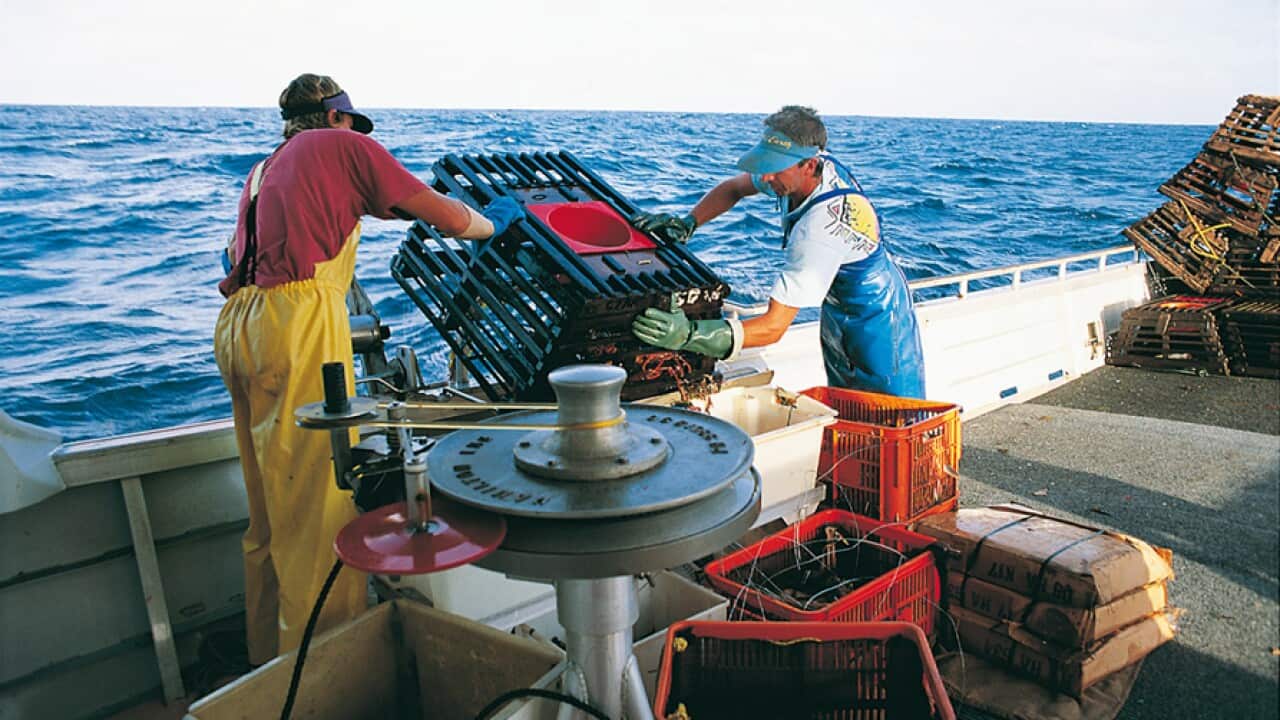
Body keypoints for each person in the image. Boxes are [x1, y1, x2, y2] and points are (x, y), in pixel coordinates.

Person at [214, 73, 521, 665]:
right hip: (295, 323)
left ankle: (266, 660)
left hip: (238, 325)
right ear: (337, 118)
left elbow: (240, 255)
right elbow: (444, 217)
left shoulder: (264, 170)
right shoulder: (341, 146)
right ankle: (322, 671)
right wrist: (490, 223)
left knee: (268, 510)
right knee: (313, 508)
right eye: (355, 124)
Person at [630, 105, 926, 398]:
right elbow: (735, 187)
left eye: (775, 168)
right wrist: (689, 222)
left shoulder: (819, 229)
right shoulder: (799, 171)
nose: (766, 178)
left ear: (809, 165)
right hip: (838, 304)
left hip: (878, 315)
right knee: (848, 403)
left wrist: (690, 334)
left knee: (891, 410)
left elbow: (773, 327)